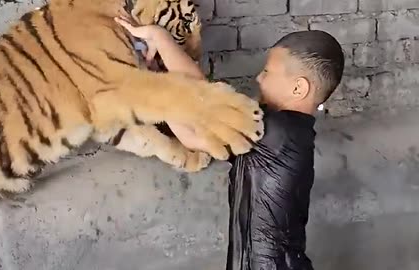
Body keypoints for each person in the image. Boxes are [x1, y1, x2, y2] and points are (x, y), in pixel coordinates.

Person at [115, 15, 345, 270]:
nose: (259, 78)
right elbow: (192, 135)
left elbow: (205, 101)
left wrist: (160, 37)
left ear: (298, 88)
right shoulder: (280, 136)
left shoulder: (277, 132)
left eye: (267, 72)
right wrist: (158, 79)